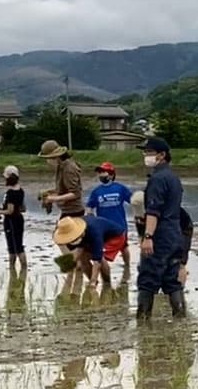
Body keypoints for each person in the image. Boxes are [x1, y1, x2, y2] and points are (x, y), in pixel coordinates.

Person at [136, 137, 186, 319]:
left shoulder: (157, 179)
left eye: (149, 152)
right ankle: (180, 318)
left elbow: (154, 210)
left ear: (162, 155)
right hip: (175, 234)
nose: (146, 156)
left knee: (148, 279)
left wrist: (148, 236)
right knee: (172, 280)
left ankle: (143, 321)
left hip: (160, 235)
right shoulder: (174, 178)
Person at [53, 212, 126, 292]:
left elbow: (97, 262)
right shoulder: (74, 228)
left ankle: (106, 284)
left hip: (115, 237)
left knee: (101, 258)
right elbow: (79, 250)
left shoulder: (94, 233)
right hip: (90, 235)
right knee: (83, 258)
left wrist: (93, 282)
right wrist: (71, 263)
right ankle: (93, 280)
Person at [86, 162, 133, 273]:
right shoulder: (96, 192)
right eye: (100, 172)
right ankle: (104, 269)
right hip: (103, 226)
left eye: (103, 172)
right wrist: (89, 216)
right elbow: (90, 206)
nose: (101, 175)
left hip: (120, 224)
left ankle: (127, 267)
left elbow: (133, 201)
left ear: (111, 175)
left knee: (124, 246)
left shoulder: (120, 188)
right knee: (101, 247)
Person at [39, 140, 84, 218]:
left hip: (73, 212)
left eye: (48, 159)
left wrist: (53, 199)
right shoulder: (61, 167)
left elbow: (75, 193)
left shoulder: (68, 169)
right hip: (66, 211)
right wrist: (49, 192)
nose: (47, 162)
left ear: (56, 157)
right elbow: (64, 189)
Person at [0, 165, 27, 270]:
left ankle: (15, 267)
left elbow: (10, 211)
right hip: (18, 220)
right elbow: (23, 208)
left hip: (12, 221)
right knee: (17, 245)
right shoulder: (20, 190)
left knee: (14, 247)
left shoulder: (11, 193)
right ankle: (16, 269)